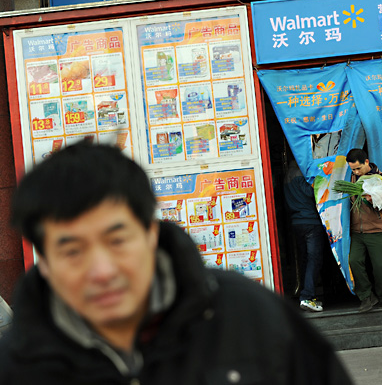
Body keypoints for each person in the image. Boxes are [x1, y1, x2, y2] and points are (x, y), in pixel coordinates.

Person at [0, 142, 352, 385]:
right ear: (44, 262)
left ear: (151, 234)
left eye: (118, 240)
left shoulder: (249, 315)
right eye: (72, 251)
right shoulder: (17, 364)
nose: (102, 271)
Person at [346, 148, 382, 313]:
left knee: (380, 266)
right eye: (353, 169)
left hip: (377, 230)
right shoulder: (350, 180)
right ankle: (366, 296)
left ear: (367, 162)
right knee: (354, 261)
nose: (356, 172)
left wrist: (375, 199)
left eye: (358, 168)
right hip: (356, 232)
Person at [284, 159, 328, 313]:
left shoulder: (287, 175)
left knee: (305, 259)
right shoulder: (300, 174)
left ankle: (307, 293)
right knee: (314, 259)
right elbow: (311, 193)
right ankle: (307, 296)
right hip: (310, 222)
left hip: (297, 222)